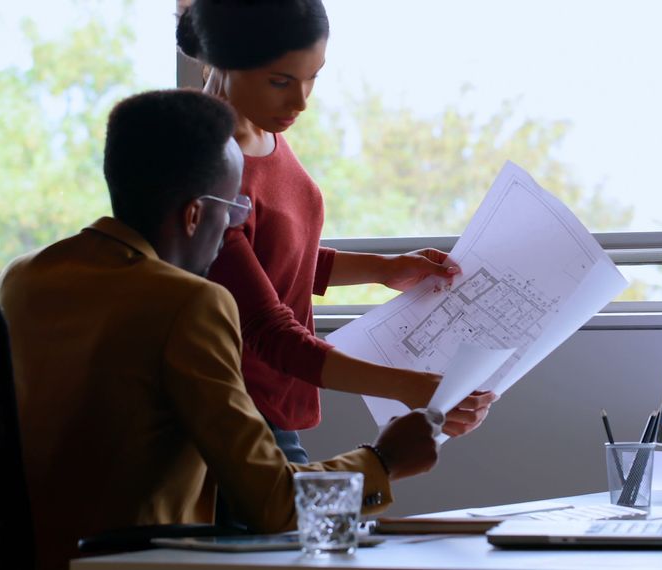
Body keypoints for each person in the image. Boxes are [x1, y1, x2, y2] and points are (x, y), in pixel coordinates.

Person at [0, 89, 443, 570]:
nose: (236, 224)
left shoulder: (20, 277)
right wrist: (385, 460)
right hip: (131, 563)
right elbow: (272, 504)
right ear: (193, 215)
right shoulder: (188, 304)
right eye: (234, 210)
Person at [176, 0, 496, 465]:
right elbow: (268, 330)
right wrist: (410, 386)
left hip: (269, 402)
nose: (300, 100)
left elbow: (278, 256)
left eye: (313, 77)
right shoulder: (209, 166)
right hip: (229, 411)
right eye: (281, 81)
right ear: (224, 61)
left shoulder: (264, 131)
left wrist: (384, 269)